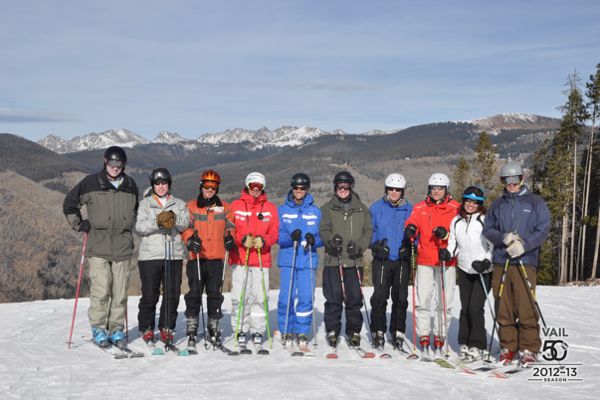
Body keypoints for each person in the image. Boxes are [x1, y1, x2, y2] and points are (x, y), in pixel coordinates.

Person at [63, 146, 138, 347]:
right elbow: (69, 204)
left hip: (122, 245)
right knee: (101, 290)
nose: (115, 167)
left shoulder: (130, 185)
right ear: (105, 162)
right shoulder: (91, 183)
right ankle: (98, 329)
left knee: (120, 292)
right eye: (112, 163)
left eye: (119, 164)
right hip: (98, 245)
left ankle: (116, 330)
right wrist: (80, 224)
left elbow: (136, 212)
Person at [482, 161, 550, 366]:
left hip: (525, 260)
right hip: (502, 261)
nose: (511, 184)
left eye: (514, 180)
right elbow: (488, 228)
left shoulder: (535, 202)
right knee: (503, 305)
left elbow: (543, 228)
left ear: (522, 179)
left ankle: (529, 347)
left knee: (525, 304)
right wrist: (503, 237)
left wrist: (525, 245)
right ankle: (508, 346)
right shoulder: (498, 203)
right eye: (507, 181)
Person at [404, 172, 460, 359]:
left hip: (447, 260)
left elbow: (461, 233)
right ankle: (424, 336)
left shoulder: (456, 208)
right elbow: (412, 221)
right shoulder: (420, 207)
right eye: (434, 188)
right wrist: (410, 228)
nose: (437, 191)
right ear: (429, 189)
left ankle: (440, 336)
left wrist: (446, 236)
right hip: (425, 260)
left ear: (446, 190)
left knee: (445, 302)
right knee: (423, 299)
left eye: (440, 188)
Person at [134, 168, 189, 348]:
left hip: (173, 254)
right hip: (150, 255)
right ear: (153, 185)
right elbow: (139, 227)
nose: (160, 186)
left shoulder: (179, 203)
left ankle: (167, 327)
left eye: (164, 183)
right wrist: (158, 222)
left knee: (172, 294)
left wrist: (173, 219)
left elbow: (185, 223)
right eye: (157, 183)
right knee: (150, 293)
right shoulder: (145, 204)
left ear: (169, 184)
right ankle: (147, 327)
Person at [181, 169, 235, 349]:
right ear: (201, 185)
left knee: (214, 294)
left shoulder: (225, 208)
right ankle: (192, 325)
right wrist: (190, 239)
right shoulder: (191, 206)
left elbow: (231, 226)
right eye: (207, 185)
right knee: (194, 293)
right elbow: (185, 227)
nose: (210, 189)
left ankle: (214, 325)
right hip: (197, 256)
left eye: (214, 186)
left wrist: (230, 237)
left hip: (216, 257)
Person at [320, 171, 373, 348]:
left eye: (346, 186)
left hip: (353, 260)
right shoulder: (327, 208)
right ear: (335, 188)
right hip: (333, 260)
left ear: (351, 187)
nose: (343, 189)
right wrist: (330, 240)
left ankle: (354, 331)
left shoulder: (361, 209)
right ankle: (333, 329)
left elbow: (368, 232)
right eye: (339, 186)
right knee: (333, 297)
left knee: (354, 298)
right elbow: (324, 229)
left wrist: (359, 246)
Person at [229, 172, 279, 348]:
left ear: (263, 187)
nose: (255, 190)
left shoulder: (270, 208)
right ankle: (240, 329)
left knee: (260, 297)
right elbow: (230, 230)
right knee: (240, 297)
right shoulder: (236, 205)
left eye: (259, 186)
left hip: (260, 259)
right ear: (247, 186)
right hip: (241, 258)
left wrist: (264, 240)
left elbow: (274, 232)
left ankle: (257, 330)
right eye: (252, 186)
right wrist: (241, 238)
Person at [446, 185, 493, 361]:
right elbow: (453, 243)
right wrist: (448, 253)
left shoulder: (485, 220)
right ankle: (464, 342)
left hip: (483, 270)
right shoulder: (456, 221)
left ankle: (478, 345)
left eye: (475, 202)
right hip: (464, 269)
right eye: (468, 201)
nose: (470, 205)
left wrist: (487, 260)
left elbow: (493, 245)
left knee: (475, 307)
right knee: (465, 308)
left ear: (480, 204)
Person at [277, 173, 323, 349]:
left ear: (307, 189)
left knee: (306, 297)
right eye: (296, 188)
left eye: (302, 188)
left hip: (307, 259)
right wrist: (290, 237)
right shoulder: (283, 210)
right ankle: (286, 329)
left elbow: (321, 237)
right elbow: (278, 236)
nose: (299, 191)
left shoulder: (315, 211)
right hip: (289, 259)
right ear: (292, 188)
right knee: (285, 297)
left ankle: (302, 330)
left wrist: (314, 240)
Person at [368, 173, 413, 351]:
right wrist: (375, 246)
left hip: (401, 259)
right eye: (391, 189)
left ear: (402, 191)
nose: (394, 192)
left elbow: (415, 232)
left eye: (398, 190)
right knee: (380, 296)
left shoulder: (409, 209)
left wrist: (410, 247)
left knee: (401, 298)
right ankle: (377, 330)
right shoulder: (376, 208)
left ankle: (398, 331)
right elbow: (368, 232)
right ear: (386, 190)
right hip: (382, 259)